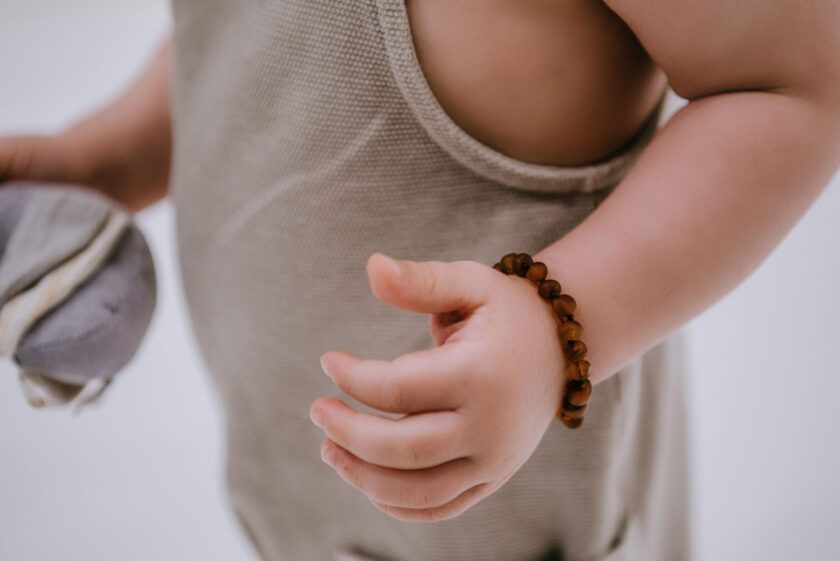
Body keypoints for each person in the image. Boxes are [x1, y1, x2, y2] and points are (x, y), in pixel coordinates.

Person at [2, 1, 839, 560]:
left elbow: (799, 80)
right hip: (311, 500)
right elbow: (248, 35)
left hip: (510, 525)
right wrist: (103, 158)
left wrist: (559, 321)